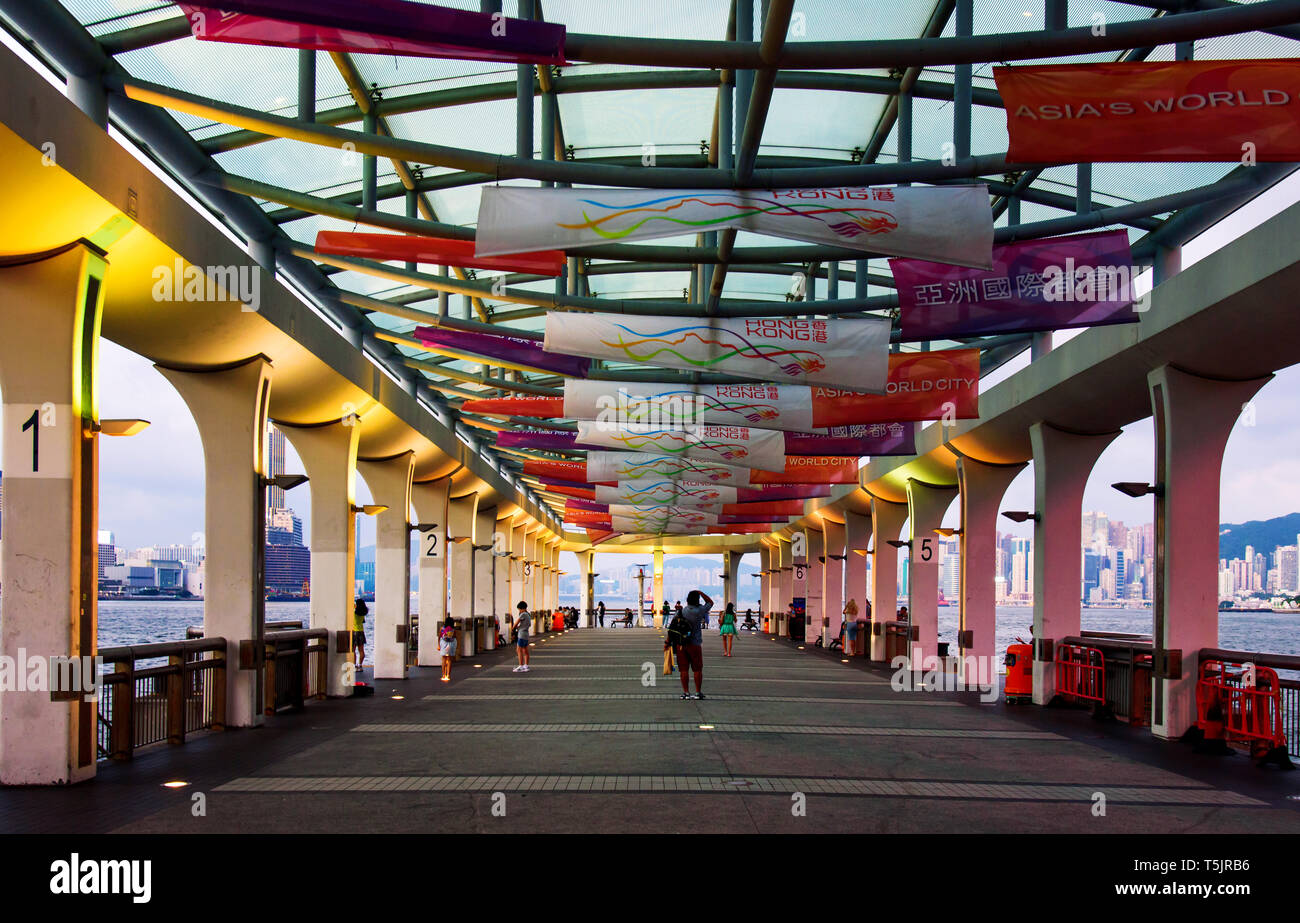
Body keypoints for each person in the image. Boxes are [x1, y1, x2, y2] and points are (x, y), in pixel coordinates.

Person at [666, 589, 712, 699]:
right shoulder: (700, 610)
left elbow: (672, 627)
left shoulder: (681, 611)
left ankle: (686, 693)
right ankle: (697, 692)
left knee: (683, 670)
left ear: (687, 600)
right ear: (697, 600)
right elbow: (710, 602)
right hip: (695, 644)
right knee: (697, 669)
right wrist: (700, 592)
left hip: (681, 644)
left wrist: (667, 642)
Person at [513, 601, 532, 673]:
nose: (519, 611)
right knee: (525, 650)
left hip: (521, 634)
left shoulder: (523, 614)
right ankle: (526, 666)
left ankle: (521, 666)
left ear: (522, 608)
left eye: (519, 609)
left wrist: (513, 629)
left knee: (519, 650)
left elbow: (517, 622)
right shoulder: (528, 614)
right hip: (526, 634)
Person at [438, 617, 457, 682]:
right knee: (449, 660)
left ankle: (443, 674)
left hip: (443, 644)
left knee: (443, 659)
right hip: (451, 644)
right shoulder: (453, 629)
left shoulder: (442, 629)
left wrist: (439, 645)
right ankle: (448, 674)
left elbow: (440, 636)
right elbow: (455, 637)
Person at [352, 597, 368, 669]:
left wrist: (353, 605)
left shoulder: (354, 613)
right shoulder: (362, 614)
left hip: (354, 632)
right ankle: (360, 665)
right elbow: (363, 622)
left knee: (353, 651)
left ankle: (354, 665)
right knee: (361, 650)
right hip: (361, 632)